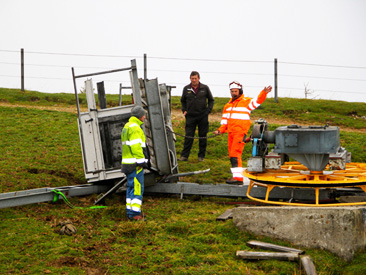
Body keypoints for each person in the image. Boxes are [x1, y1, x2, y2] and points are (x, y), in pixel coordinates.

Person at [213, 81, 272, 184]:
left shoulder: (246, 101)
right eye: (232, 91)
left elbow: (257, 101)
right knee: (232, 155)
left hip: (240, 132)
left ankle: (238, 178)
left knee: (236, 154)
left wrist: (264, 92)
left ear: (240, 91)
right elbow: (224, 122)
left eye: (235, 91)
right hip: (231, 133)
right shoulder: (227, 106)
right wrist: (220, 130)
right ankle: (236, 176)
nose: (233, 93)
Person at [179, 71, 214, 162]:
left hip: (203, 116)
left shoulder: (205, 88)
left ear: (199, 78)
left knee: (202, 136)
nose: (194, 80)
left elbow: (211, 100)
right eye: (192, 78)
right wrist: (184, 110)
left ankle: (201, 156)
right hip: (190, 116)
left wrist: (208, 111)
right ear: (190, 79)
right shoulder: (186, 88)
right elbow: (183, 101)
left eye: (195, 78)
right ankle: (184, 156)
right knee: (188, 136)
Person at [121, 105, 149, 221]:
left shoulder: (127, 126)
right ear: (141, 116)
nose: (144, 117)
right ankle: (135, 214)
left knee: (130, 187)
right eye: (144, 115)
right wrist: (142, 161)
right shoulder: (136, 128)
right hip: (135, 164)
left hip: (127, 163)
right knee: (137, 188)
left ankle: (130, 211)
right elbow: (136, 147)